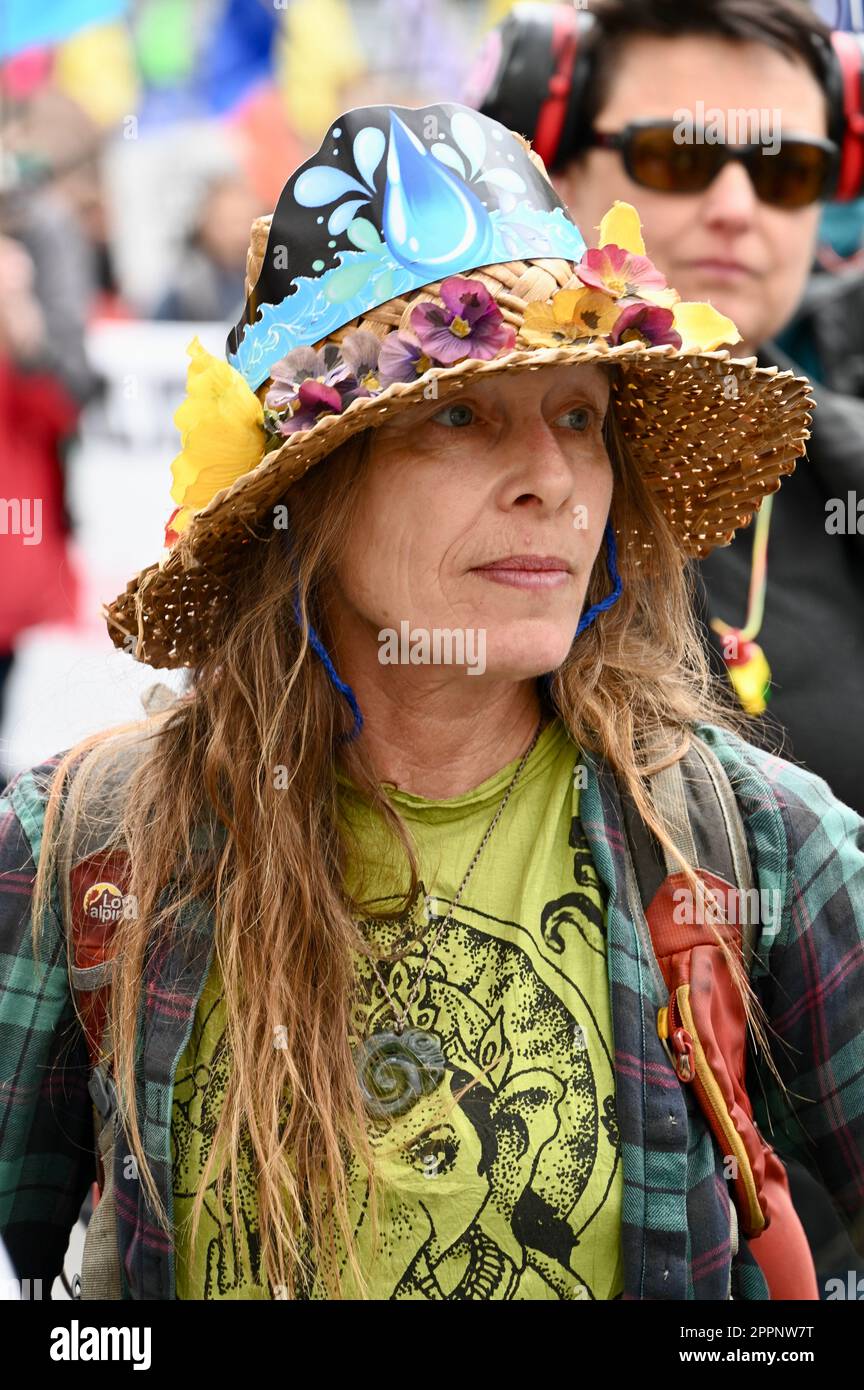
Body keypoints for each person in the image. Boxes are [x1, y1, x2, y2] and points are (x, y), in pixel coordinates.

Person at [0, 100, 862, 1303]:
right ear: (310, 493)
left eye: (580, 416)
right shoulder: (80, 849)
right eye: (460, 415)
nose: (554, 482)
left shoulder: (754, 843)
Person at [474, 0, 864, 819]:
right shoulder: (400, 469)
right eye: (675, 157)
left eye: (786, 168)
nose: (735, 205)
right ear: (553, 170)